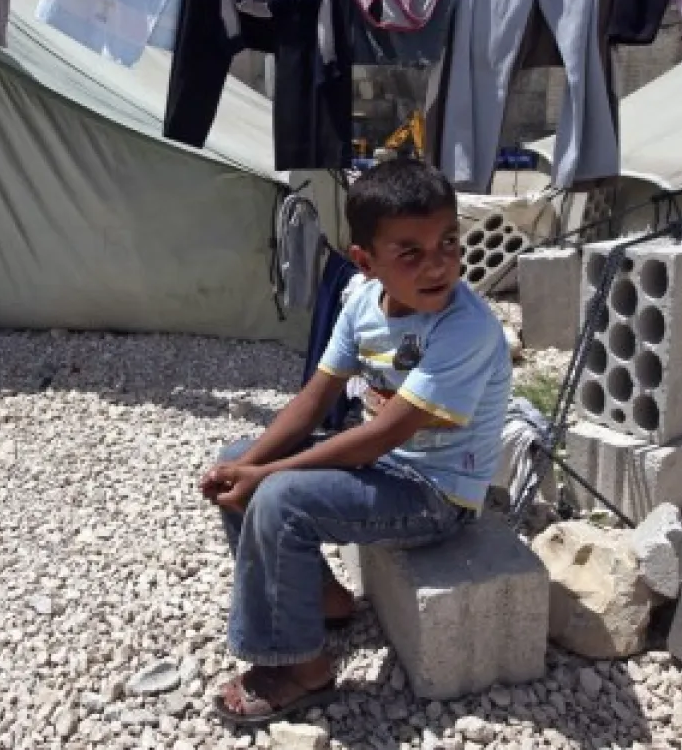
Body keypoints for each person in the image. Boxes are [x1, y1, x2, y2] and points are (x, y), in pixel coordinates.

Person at [199, 159, 513, 726]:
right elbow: (314, 400)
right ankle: (324, 600)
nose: (438, 262)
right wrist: (247, 464)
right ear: (365, 262)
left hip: (436, 495)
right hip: (386, 468)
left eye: (448, 241)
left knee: (277, 497)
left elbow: (380, 436)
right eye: (410, 252)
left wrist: (266, 477)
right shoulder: (361, 303)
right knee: (236, 462)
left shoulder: (465, 327)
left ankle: (301, 670)